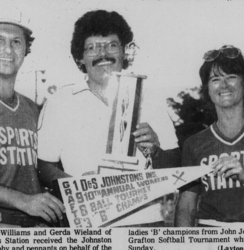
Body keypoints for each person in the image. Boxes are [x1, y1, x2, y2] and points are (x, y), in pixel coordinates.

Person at [38, 10, 180, 227]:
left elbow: (175, 165)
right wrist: (78, 185)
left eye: (112, 45)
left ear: (125, 53)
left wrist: (156, 149)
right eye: (92, 47)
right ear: (80, 57)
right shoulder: (60, 100)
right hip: (86, 221)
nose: (103, 54)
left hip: (144, 222)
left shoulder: (150, 98)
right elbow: (43, 166)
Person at [0, 7, 65, 227]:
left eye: (16, 41)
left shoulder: (32, 108)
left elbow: (43, 167)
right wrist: (24, 201)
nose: (7, 49)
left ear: (26, 50)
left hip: (36, 225)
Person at [175, 45, 244, 227]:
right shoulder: (194, 144)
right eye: (215, 79)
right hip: (209, 238)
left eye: (231, 77)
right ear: (207, 87)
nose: (224, 85)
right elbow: (187, 206)